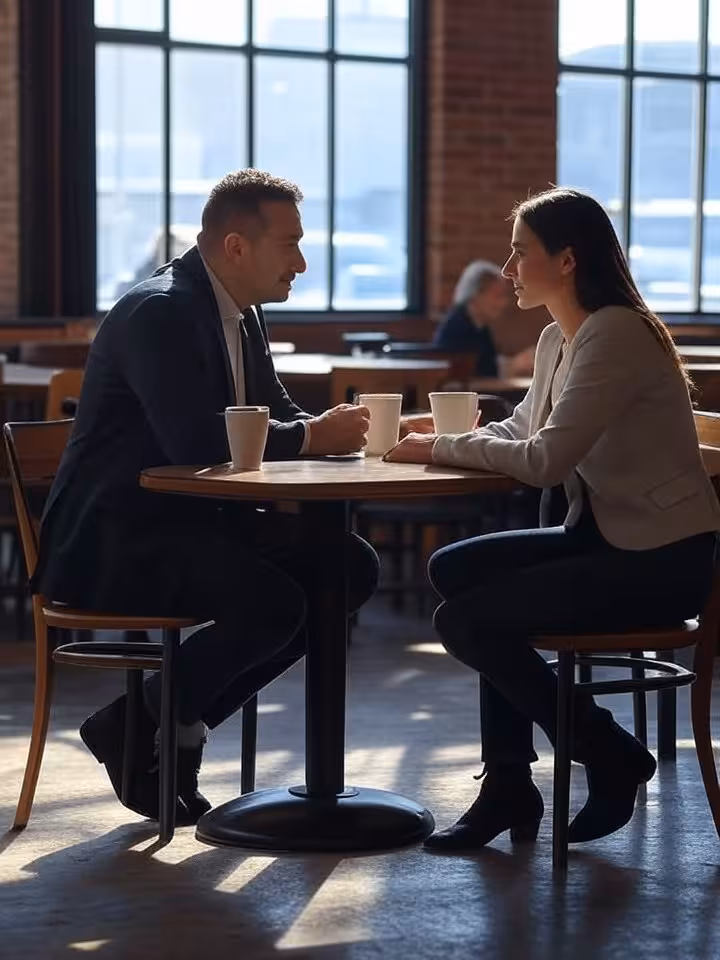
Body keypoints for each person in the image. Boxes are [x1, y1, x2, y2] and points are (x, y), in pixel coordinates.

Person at [34, 169, 432, 826]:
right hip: (116, 539)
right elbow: (194, 439)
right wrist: (309, 437)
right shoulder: (158, 311)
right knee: (274, 601)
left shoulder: (239, 313)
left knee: (345, 566)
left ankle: (148, 721)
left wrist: (354, 434)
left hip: (193, 525)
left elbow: (271, 413)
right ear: (237, 247)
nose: (303, 263)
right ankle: (161, 730)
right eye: (291, 244)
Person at [385, 187, 720, 851]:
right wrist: (446, 432)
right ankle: (515, 782)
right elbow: (526, 426)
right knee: (455, 569)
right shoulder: (556, 337)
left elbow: (543, 459)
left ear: (566, 260)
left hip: (662, 557)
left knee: (467, 618)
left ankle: (599, 754)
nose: (508, 270)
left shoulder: (617, 332)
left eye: (520, 253)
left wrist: (441, 448)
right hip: (599, 536)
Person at [433, 260, 535, 377]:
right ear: (475, 295)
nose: (504, 303)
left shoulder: (479, 325)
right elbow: (476, 373)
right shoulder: (457, 328)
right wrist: (513, 365)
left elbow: (487, 360)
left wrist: (515, 363)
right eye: (498, 296)